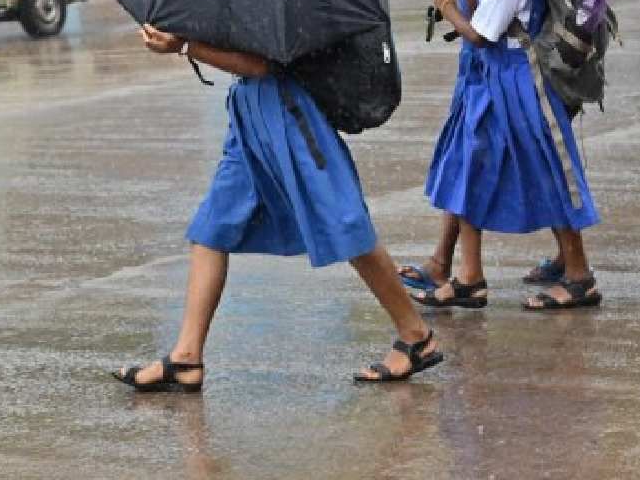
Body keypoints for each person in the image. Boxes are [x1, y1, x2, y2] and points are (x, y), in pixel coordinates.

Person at [112, 26, 443, 389]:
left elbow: (258, 63)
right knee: (211, 228)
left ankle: (416, 336)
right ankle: (186, 358)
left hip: (289, 113)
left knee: (344, 224)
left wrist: (186, 46)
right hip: (250, 112)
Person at [417, 0, 602, 311]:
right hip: (493, 81)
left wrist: (446, 8)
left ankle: (579, 276)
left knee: (548, 174)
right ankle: (469, 276)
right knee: (468, 168)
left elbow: (481, 33)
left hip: (521, 84)